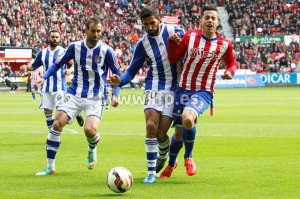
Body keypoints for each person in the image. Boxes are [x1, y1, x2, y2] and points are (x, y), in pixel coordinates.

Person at [35, 17, 121, 176]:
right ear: (86, 30)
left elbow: (118, 74)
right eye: (93, 31)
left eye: (99, 31)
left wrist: (116, 94)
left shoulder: (107, 50)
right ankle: (50, 166)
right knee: (57, 123)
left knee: (90, 130)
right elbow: (57, 65)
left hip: (95, 96)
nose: (96, 34)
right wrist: (44, 77)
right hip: (74, 93)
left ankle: (92, 147)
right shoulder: (74, 47)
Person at [108, 6, 185, 184]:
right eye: (145, 25)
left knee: (161, 134)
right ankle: (151, 172)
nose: (150, 27)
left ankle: (164, 150)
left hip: (175, 89)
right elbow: (132, 70)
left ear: (159, 19)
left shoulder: (177, 32)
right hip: (153, 86)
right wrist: (120, 81)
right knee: (151, 126)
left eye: (152, 23)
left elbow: (190, 52)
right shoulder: (142, 44)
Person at [159, 5, 237, 178]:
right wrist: (172, 43)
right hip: (182, 90)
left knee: (188, 118)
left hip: (204, 91)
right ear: (201, 20)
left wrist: (229, 72)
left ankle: (188, 156)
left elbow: (232, 63)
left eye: (213, 18)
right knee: (178, 134)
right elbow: (173, 58)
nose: (210, 20)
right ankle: (171, 164)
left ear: (218, 22)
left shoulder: (224, 45)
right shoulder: (190, 37)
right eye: (207, 17)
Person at [21, 29, 84, 129]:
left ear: (60, 39)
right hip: (46, 87)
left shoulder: (64, 52)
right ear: (48, 38)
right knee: (47, 113)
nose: (54, 39)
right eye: (53, 37)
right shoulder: (42, 53)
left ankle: (75, 113)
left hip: (59, 87)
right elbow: (34, 66)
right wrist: (26, 67)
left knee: (61, 115)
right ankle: (52, 135)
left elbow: (72, 66)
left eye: (57, 37)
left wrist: (69, 71)